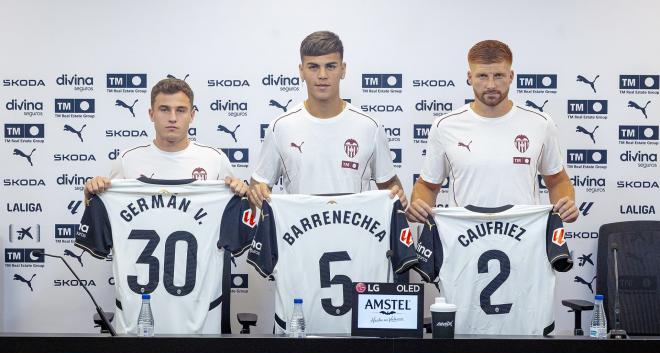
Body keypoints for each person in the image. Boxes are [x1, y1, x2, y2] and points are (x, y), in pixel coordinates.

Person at [406, 40, 578, 223]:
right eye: (482, 76)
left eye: (498, 75)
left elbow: (557, 180)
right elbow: (428, 186)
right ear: (470, 77)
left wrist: (565, 204)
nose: (491, 85)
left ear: (511, 76)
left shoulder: (540, 123)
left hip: (525, 239)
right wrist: (419, 205)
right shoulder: (445, 125)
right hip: (464, 239)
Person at [248, 30, 406, 206]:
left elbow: (389, 185)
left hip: (355, 232)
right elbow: (258, 186)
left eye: (330, 66)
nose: (322, 75)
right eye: (313, 66)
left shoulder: (369, 127)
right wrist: (257, 192)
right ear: (301, 71)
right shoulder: (281, 127)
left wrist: (397, 193)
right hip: (298, 232)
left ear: (343, 69)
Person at [84, 78, 247, 199]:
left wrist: (242, 193)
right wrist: (91, 194)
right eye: (164, 109)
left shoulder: (215, 159)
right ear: (151, 114)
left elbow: (235, 216)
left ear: (192, 116)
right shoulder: (127, 160)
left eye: (181, 110)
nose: (173, 118)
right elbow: (108, 213)